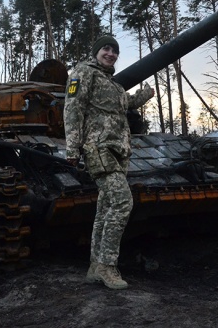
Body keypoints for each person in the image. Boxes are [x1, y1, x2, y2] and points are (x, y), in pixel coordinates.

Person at [64, 34, 154, 290]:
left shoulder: (112, 84)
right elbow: (72, 108)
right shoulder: (83, 73)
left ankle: (95, 266)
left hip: (119, 149)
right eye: (105, 48)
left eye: (114, 51)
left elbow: (123, 105)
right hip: (98, 147)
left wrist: (144, 95)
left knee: (106, 207)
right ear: (96, 52)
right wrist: (72, 147)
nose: (111, 54)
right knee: (122, 202)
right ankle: (107, 265)